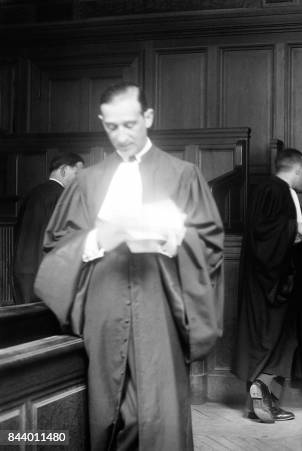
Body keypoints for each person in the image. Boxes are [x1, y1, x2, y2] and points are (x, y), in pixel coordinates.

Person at [34, 82, 224, 451]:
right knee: (108, 414)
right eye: (112, 126)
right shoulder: (87, 182)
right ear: (102, 122)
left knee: (156, 418)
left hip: (160, 308)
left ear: (148, 118)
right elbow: (56, 245)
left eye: (130, 124)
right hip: (104, 310)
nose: (121, 136)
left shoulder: (183, 175)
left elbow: (211, 247)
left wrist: (175, 237)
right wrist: (99, 238)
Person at [232, 148, 302, 424]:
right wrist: (295, 228)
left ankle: (263, 398)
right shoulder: (274, 189)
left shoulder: (273, 189)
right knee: (276, 340)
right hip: (270, 283)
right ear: (299, 169)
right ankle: (261, 389)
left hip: (269, 280)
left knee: (274, 340)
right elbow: (264, 232)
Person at [12, 152, 84, 304]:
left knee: (25, 322)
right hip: (46, 275)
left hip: (23, 270)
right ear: (64, 170)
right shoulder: (62, 198)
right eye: (77, 173)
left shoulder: (33, 194)